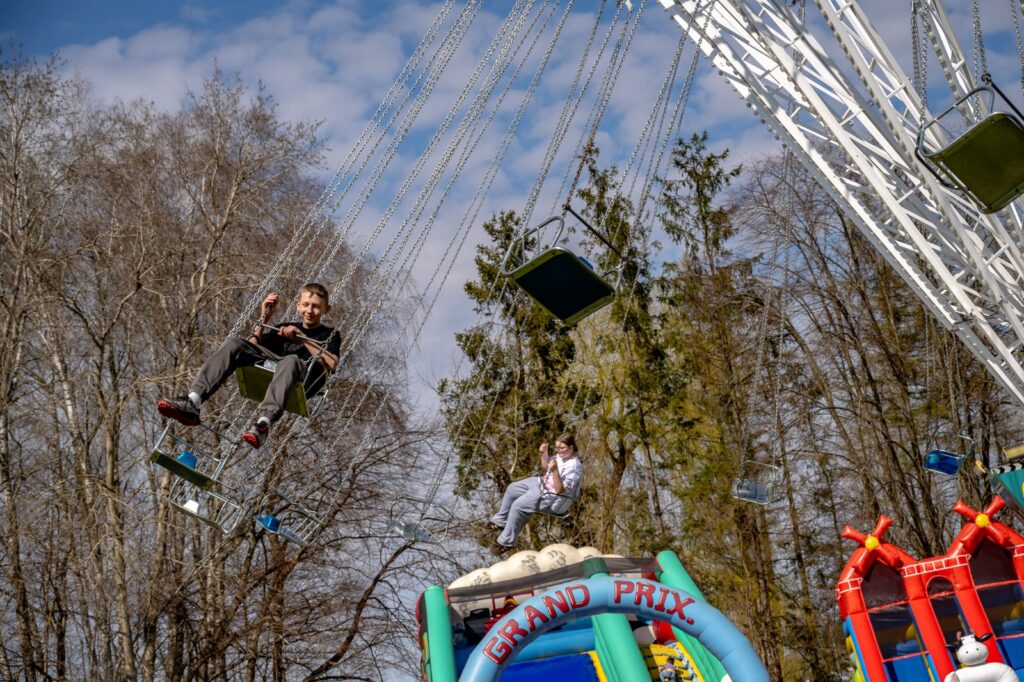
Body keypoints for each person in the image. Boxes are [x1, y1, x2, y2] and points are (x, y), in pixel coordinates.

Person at [157, 283, 341, 448]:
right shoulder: (285, 326)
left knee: (290, 359)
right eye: (306, 305)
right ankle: (193, 400)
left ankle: (263, 424)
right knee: (235, 344)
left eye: (316, 307)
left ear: (327, 309)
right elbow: (252, 345)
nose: (310, 310)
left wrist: (301, 338)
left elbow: (332, 363)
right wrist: (264, 318)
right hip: (272, 365)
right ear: (298, 305)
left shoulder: (329, 334)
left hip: (299, 377)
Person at [488, 433, 583, 555]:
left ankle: (506, 542)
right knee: (512, 489)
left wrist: (555, 471)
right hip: (540, 483)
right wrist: (544, 453)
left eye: (562, 448)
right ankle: (500, 521)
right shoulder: (561, 456)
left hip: (551, 496)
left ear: (571, 447)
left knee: (518, 506)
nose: (559, 451)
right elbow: (545, 468)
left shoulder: (575, 467)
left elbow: (560, 490)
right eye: (557, 448)